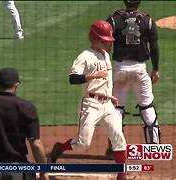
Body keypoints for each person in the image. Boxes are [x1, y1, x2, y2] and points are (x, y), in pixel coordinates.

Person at [48, 20, 127, 180]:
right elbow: (73, 79)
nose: (107, 44)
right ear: (95, 39)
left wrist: (109, 95)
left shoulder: (105, 55)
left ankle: (121, 175)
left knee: (119, 137)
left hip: (107, 105)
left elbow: (105, 81)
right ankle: (59, 148)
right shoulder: (85, 56)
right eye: (104, 41)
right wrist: (94, 75)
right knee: (83, 144)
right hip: (90, 104)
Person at [104, 0, 161, 157]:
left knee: (116, 108)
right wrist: (155, 69)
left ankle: (116, 148)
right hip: (140, 70)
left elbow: (105, 46)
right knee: (146, 106)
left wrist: (105, 68)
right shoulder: (147, 20)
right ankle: (154, 148)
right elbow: (154, 47)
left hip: (119, 69)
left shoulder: (114, 19)